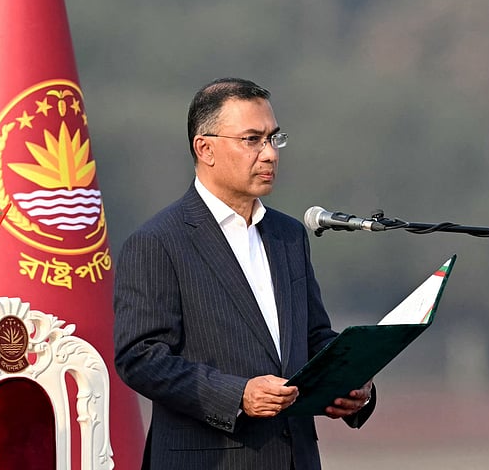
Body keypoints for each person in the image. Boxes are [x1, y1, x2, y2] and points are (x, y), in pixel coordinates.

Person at [112, 77, 375, 470]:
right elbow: (141, 358)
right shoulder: (158, 241)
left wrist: (354, 380)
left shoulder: (288, 235)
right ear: (205, 148)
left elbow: (313, 337)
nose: (270, 154)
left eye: (274, 138)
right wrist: (236, 395)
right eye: (252, 140)